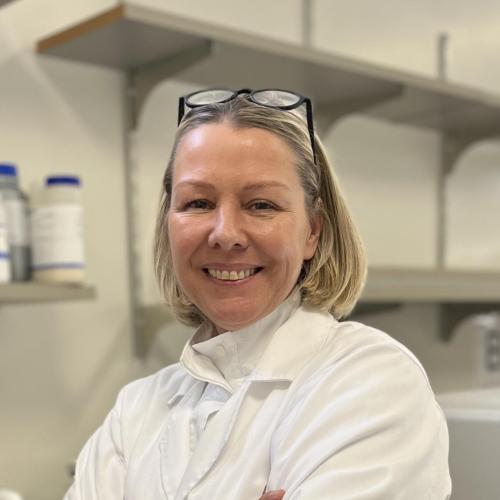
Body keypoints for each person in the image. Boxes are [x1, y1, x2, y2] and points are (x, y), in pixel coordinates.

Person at [64, 89, 452, 499]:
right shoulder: (136, 410)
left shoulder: (372, 382)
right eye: (198, 203)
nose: (225, 234)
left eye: (261, 205)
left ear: (312, 231)